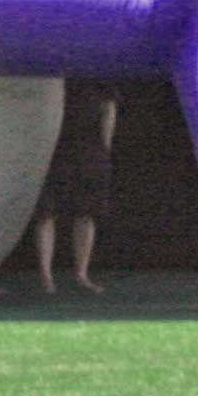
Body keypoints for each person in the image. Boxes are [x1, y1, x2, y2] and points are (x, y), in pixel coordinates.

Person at [31, 76, 116, 293]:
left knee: (86, 212)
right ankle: (46, 276)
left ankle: (81, 274)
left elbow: (109, 107)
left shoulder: (96, 74)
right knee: (46, 213)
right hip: (52, 147)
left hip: (88, 149)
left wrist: (104, 148)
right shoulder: (51, 75)